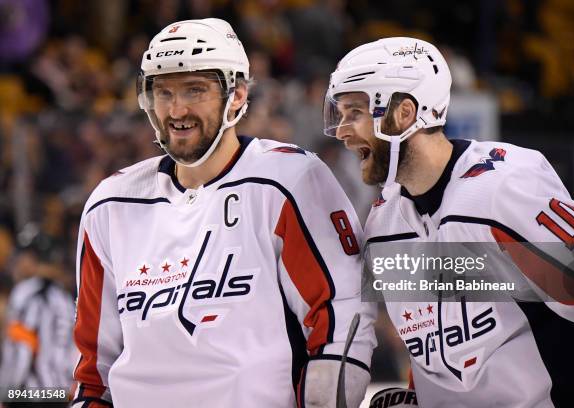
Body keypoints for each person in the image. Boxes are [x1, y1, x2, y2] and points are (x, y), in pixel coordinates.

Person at [71, 18, 376, 408]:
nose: (176, 109)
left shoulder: (288, 179)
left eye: (195, 90)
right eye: (163, 92)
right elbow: (93, 371)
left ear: (236, 95)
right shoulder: (111, 203)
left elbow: (342, 315)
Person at [324, 37, 574, 407]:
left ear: (404, 114)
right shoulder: (383, 226)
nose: (343, 131)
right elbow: (432, 343)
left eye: (354, 112)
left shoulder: (501, 190)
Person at [0, 241, 75, 408]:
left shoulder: (24, 293)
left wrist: (6, 393)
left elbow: (22, 347)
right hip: (62, 393)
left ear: (31, 260)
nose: (16, 265)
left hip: (28, 394)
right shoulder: (65, 298)